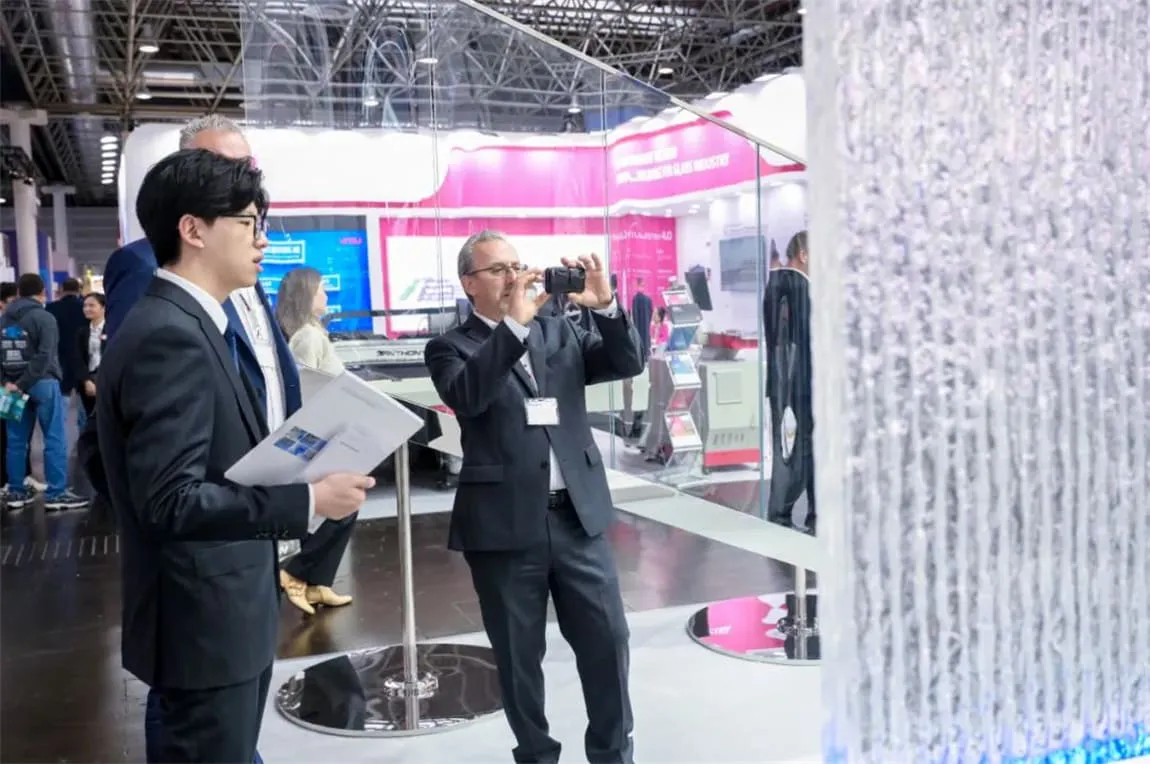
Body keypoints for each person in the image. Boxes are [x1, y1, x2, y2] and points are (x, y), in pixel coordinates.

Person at [97, 148, 374, 763]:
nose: (262, 239)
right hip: (201, 620)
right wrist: (306, 499)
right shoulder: (171, 334)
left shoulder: (193, 323)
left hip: (219, 610)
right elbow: (169, 501)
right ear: (192, 230)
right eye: (248, 222)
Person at [424, 230, 644, 764]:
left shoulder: (559, 329)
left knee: (609, 642)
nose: (513, 277)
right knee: (519, 660)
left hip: (577, 521)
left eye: (517, 265)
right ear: (469, 283)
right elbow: (468, 397)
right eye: (498, 269)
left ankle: (613, 754)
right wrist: (513, 327)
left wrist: (606, 306)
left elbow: (626, 362)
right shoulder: (451, 347)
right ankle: (537, 755)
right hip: (503, 529)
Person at [272, 266, 357, 614]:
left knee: (343, 507)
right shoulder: (307, 337)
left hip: (326, 433)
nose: (326, 295)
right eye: (321, 289)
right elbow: (304, 391)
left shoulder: (313, 333)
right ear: (306, 294)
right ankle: (296, 574)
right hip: (319, 437)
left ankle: (317, 584)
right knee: (340, 507)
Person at [1, 273, 87, 510]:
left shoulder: (4, 318)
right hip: (43, 383)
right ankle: (56, 493)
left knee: (15, 441)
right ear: (42, 292)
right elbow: (45, 355)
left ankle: (16, 492)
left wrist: (9, 383)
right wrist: (24, 382)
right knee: (54, 437)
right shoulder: (44, 317)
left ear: (19, 292)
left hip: (10, 387)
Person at [46, 277, 87, 427]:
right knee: (84, 400)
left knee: (62, 399)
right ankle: (84, 434)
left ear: (62, 290)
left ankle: (60, 429)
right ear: (79, 290)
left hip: (60, 358)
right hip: (83, 359)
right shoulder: (85, 308)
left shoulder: (51, 308)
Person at [75, 292, 106, 418]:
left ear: (103, 308)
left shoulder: (112, 329)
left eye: (92, 305)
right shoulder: (82, 332)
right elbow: (77, 358)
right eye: (85, 306)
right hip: (88, 382)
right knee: (89, 419)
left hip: (106, 380)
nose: (87, 309)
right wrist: (86, 380)